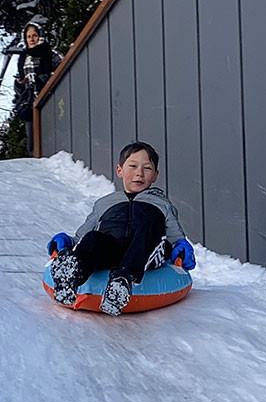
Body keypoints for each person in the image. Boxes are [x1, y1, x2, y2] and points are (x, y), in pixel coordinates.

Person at [48, 142, 196, 316]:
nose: (139, 173)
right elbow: (83, 234)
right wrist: (67, 242)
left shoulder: (162, 204)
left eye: (147, 168)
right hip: (111, 250)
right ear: (120, 171)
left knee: (150, 224)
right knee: (95, 238)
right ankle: (72, 273)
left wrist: (182, 248)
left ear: (155, 175)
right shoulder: (104, 203)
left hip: (144, 251)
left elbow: (175, 237)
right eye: (132, 166)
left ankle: (122, 281)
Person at [14, 23, 62, 155]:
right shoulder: (23, 58)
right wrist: (20, 83)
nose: (31, 39)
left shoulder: (51, 54)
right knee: (33, 141)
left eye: (34, 35)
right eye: (28, 36)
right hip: (30, 105)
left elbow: (63, 73)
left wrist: (45, 79)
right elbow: (18, 88)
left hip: (50, 101)